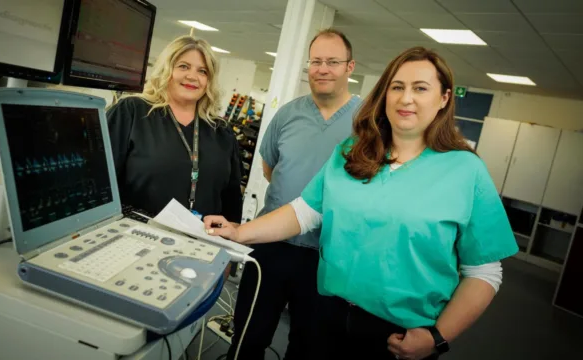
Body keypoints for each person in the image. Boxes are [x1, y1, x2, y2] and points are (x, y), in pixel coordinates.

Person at [204, 46, 519, 360]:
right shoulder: (354, 151)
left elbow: (484, 272)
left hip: (399, 335)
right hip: (324, 313)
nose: (406, 98)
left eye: (420, 88)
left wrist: (437, 337)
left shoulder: (465, 171)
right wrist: (240, 232)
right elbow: (305, 212)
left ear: (444, 98)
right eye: (397, 87)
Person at [225, 29, 361, 360]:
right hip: (271, 247)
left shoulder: (368, 122)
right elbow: (270, 169)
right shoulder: (288, 114)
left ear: (350, 67)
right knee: (247, 338)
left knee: (308, 347)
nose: (322, 69)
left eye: (332, 61)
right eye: (316, 61)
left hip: (327, 255)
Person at [106, 35, 242, 224]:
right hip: (135, 235)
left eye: (202, 71)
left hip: (202, 243)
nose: (192, 77)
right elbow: (101, 182)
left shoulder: (222, 132)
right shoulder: (131, 112)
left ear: (209, 81)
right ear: (165, 70)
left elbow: (232, 202)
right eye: (183, 66)